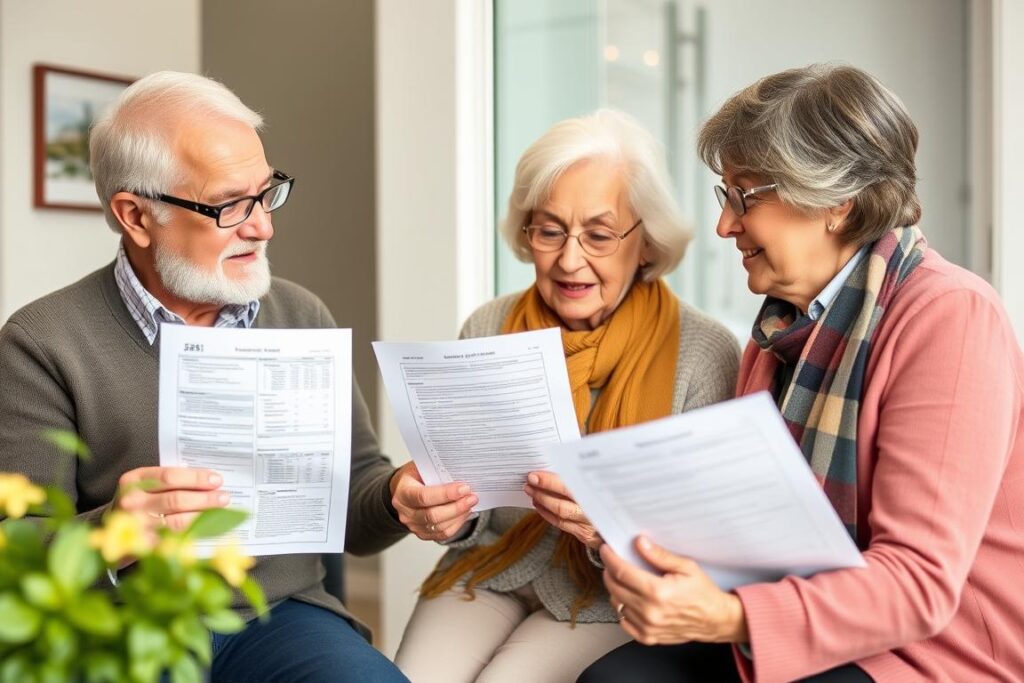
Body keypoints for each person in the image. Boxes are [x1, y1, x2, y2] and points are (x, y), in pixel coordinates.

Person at [0, 71, 464, 683]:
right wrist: (110, 530)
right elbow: (14, 557)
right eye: (229, 206)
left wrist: (399, 499)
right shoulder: (42, 340)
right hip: (125, 623)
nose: (263, 226)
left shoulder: (300, 315)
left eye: (267, 192)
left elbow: (352, 505)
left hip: (282, 618)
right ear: (136, 216)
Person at [578, 64, 1024, 683]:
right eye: (725, 196)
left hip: (937, 651)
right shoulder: (781, 327)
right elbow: (752, 529)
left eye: (745, 196)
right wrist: (615, 526)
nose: (725, 225)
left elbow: (919, 585)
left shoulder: (951, 317)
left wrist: (729, 616)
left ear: (835, 203)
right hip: (802, 611)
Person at [389, 109, 741, 683]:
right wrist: (441, 509)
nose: (569, 260)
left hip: (611, 591)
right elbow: (467, 502)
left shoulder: (704, 355)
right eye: (549, 230)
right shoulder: (490, 325)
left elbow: (701, 548)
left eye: (599, 235)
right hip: (489, 565)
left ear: (647, 242)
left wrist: (607, 519)